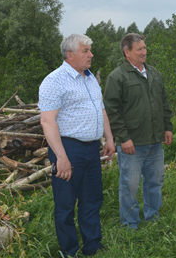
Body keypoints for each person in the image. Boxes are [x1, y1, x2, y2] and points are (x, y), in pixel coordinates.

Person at [39, 34, 115, 257]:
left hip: (92, 148)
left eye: (90, 50)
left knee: (92, 199)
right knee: (65, 204)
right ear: (70, 55)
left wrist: (108, 138)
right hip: (68, 149)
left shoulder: (90, 78)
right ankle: (69, 251)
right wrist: (61, 157)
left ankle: (92, 245)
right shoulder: (54, 81)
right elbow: (47, 121)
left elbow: (101, 110)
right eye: (86, 51)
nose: (91, 55)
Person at [103, 33, 173, 229]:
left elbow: (164, 103)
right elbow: (112, 111)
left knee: (155, 182)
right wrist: (123, 138)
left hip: (155, 141)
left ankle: (153, 218)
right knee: (130, 185)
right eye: (139, 49)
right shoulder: (117, 77)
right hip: (131, 144)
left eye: (144, 48)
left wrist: (168, 127)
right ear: (127, 52)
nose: (144, 52)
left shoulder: (154, 73)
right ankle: (129, 224)